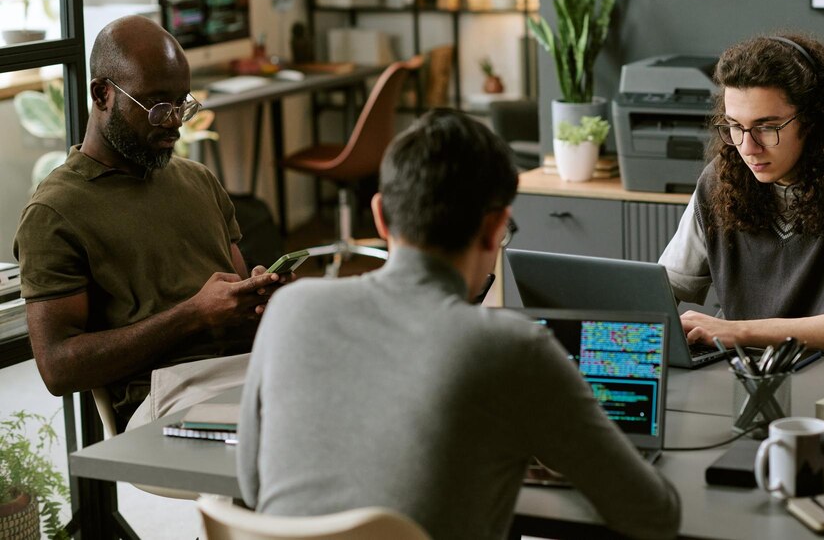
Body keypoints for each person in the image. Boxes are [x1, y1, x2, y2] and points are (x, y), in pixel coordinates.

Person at [238, 110, 680, 540]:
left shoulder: (290, 309)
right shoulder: (513, 347)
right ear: (495, 229)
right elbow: (652, 515)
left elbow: (253, 485)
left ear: (380, 216)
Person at [13, 15, 283, 431]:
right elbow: (58, 369)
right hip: (166, 396)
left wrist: (258, 298)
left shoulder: (197, 180)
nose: (174, 121)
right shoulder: (56, 212)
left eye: (183, 104)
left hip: (245, 370)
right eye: (158, 106)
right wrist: (193, 315)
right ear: (103, 94)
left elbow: (236, 307)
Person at [660, 33, 824, 352]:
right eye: (735, 125)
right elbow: (664, 288)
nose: (747, 148)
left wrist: (739, 332)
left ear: (812, 120)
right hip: (742, 376)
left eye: (767, 127)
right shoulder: (721, 180)